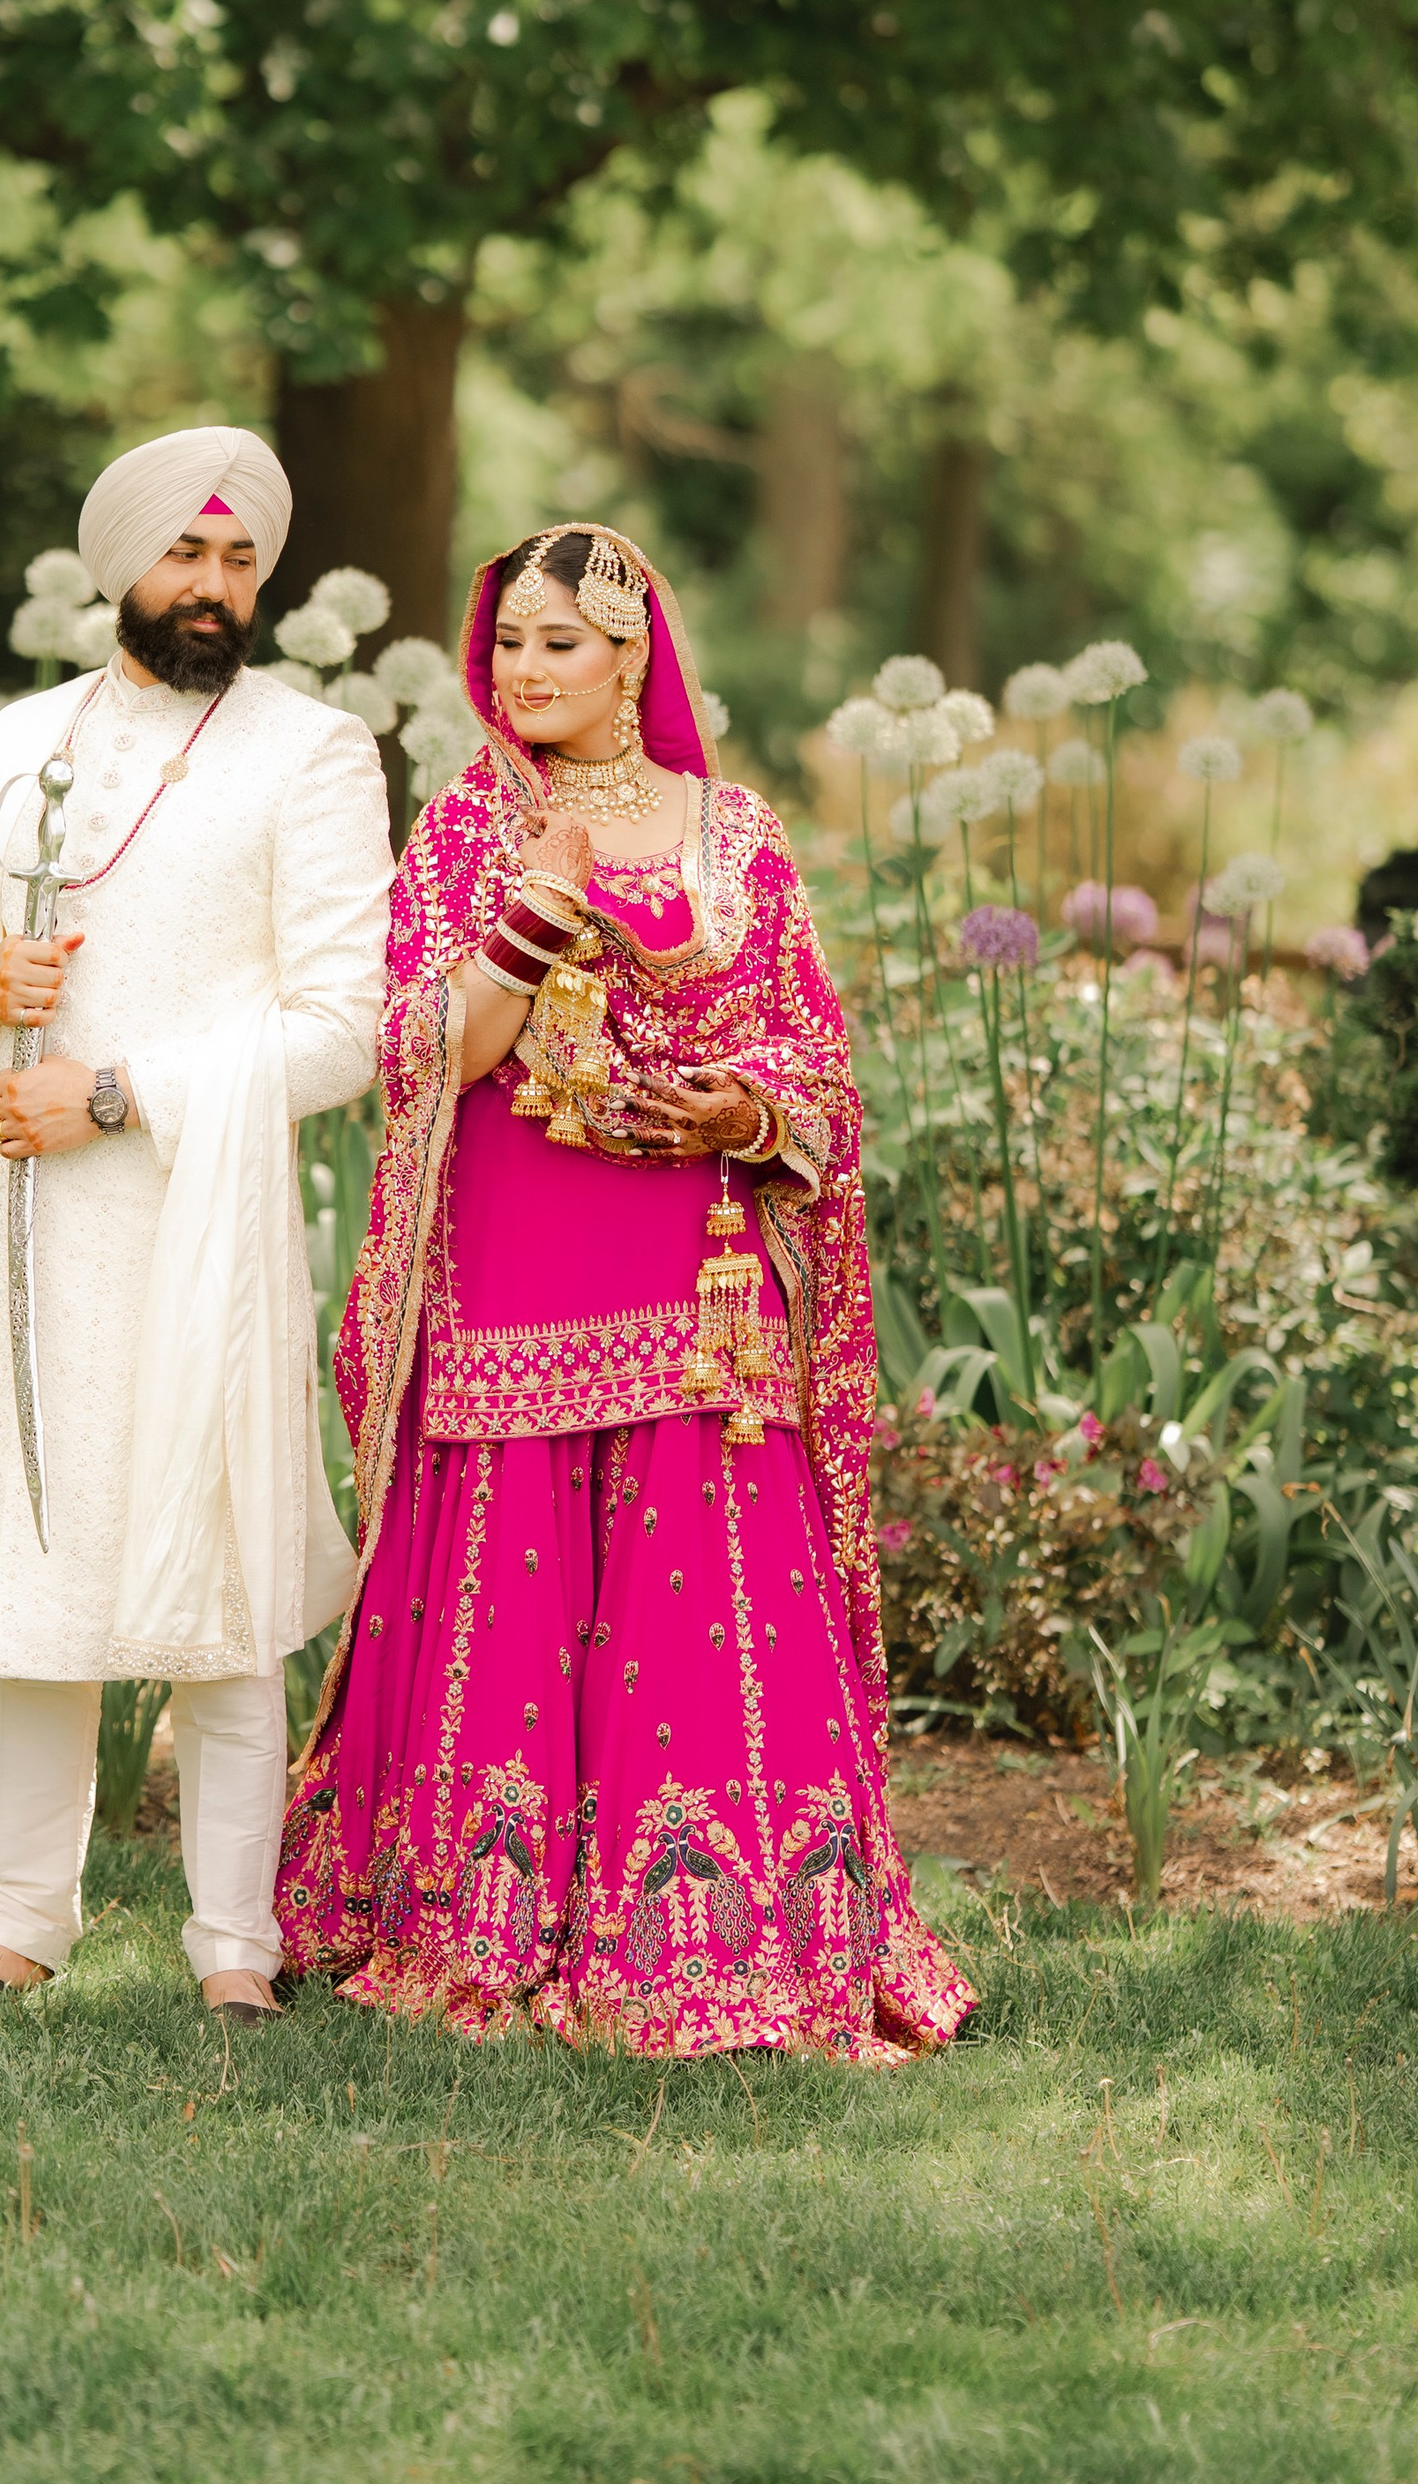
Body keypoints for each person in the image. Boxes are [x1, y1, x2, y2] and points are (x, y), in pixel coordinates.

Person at [279, 523, 971, 2059]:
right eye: (509, 644)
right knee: (512, 1589)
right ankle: (484, 1911)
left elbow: (817, 1064)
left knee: (705, 1589)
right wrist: (531, 914)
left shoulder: (735, 830)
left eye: (559, 644)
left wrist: (743, 1111)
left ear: (631, 652)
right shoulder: (470, 827)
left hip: (698, 1281)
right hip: (517, 1280)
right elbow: (420, 1059)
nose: (526, 673)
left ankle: (729, 1925)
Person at [0, 426, 393, 2019]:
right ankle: (19, 1918)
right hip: (24, 1213)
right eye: (185, 556)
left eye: (238, 561)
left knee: (218, 1575)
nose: (213, 588)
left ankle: (237, 1943)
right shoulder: (27, 737)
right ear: (119, 568)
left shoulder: (313, 751)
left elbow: (346, 1026)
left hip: (196, 1214)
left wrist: (114, 1091)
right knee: (34, 1559)